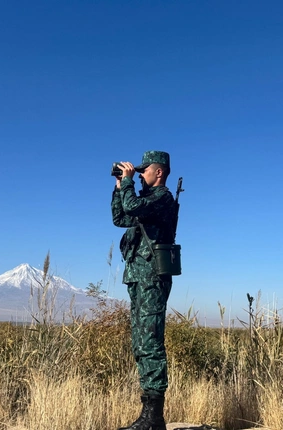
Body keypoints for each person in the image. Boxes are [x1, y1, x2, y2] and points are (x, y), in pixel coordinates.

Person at [111, 150, 178, 430]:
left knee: (150, 341)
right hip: (139, 277)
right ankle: (147, 415)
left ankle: (154, 418)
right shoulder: (146, 201)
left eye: (143, 170)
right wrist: (119, 188)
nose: (138, 174)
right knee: (140, 342)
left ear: (159, 172)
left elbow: (135, 208)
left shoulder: (162, 198)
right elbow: (120, 217)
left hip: (152, 278)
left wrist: (127, 184)